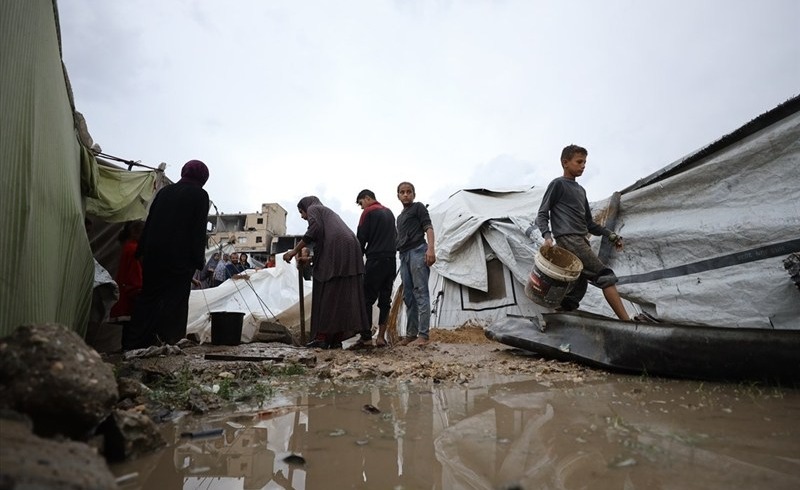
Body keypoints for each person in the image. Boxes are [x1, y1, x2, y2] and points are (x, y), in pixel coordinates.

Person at [535, 144, 631, 321]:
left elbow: (589, 224)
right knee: (605, 275)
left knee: (577, 288)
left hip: (580, 239)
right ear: (565, 162)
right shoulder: (558, 184)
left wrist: (610, 235)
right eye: (579, 162)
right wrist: (547, 236)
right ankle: (627, 322)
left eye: (585, 162)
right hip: (569, 239)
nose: (583, 166)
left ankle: (557, 322)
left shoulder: (581, 190)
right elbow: (542, 214)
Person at [123, 160, 210, 350]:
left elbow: (151, 220)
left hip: (153, 255)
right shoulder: (199, 195)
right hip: (179, 258)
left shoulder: (165, 192)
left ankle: (134, 344)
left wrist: (141, 250)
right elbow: (198, 229)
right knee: (175, 301)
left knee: (148, 298)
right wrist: (198, 259)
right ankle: (169, 342)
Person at [283, 196, 369, 349]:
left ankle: (322, 337)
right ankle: (335, 338)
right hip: (350, 249)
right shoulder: (328, 215)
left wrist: (294, 251)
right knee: (341, 296)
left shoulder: (313, 208)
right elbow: (325, 246)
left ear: (305, 207)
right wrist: (310, 259)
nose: (302, 217)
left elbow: (314, 230)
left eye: (301, 212)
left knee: (327, 294)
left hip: (339, 249)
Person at [352, 189, 397, 348]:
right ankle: (381, 338)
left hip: (375, 260)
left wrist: (358, 258)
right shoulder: (389, 212)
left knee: (366, 299)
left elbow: (361, 239)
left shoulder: (368, 213)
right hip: (391, 260)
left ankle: (366, 338)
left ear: (367, 198)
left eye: (361, 203)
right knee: (385, 299)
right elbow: (395, 236)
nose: (361, 207)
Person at [395, 182, 436, 347]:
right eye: (402, 192)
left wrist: (431, 249)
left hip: (418, 251)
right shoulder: (399, 218)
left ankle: (423, 335)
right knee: (409, 296)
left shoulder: (418, 207)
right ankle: (411, 334)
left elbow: (429, 228)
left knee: (421, 292)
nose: (406, 194)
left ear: (414, 194)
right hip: (404, 255)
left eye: (409, 192)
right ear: (398, 196)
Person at [110, 220, 145, 325]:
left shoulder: (127, 248)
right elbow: (135, 278)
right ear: (134, 233)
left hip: (124, 299)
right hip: (131, 302)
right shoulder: (134, 250)